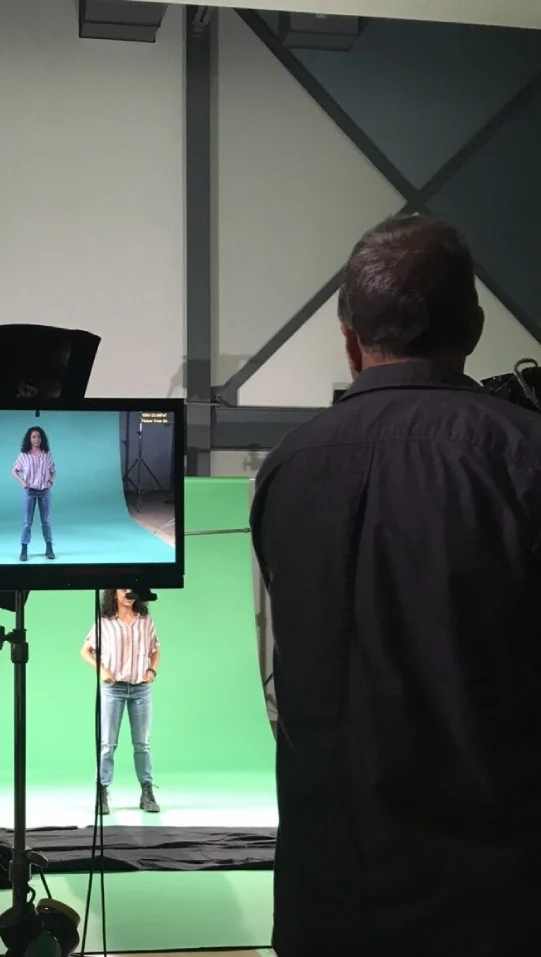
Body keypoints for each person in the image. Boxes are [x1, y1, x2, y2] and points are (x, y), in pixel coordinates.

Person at [250, 213, 541, 957]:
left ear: (348, 339)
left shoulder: (286, 468)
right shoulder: (521, 457)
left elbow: (284, 684)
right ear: (474, 328)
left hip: (326, 898)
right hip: (492, 903)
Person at [81, 588, 160, 815]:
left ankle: (147, 791)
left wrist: (152, 670)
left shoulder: (146, 621)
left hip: (140, 690)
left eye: (131, 589)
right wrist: (102, 670)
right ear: (113, 594)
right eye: (122, 588)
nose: (127, 592)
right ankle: (102, 791)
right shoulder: (104, 622)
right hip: (113, 689)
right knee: (107, 744)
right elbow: (85, 651)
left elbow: (155, 650)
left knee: (142, 744)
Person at [12, 425, 56, 561]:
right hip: (29, 492)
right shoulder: (24, 455)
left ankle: (49, 548)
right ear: (29, 439)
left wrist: (50, 482)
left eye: (39, 437)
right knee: (27, 522)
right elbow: (14, 471)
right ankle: (24, 549)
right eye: (34, 437)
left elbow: (53, 471)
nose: (36, 439)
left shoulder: (47, 454)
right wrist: (22, 482)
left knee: (46, 521)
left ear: (42, 439)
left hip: (44, 492)